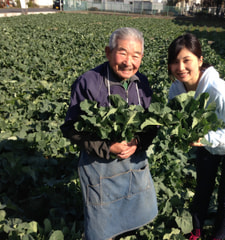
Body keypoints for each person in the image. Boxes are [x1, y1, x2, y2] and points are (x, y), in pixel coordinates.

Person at [60, 27, 158, 240]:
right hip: (100, 170)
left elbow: (153, 123)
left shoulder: (142, 83)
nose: (128, 61)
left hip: (133, 167)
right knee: (102, 228)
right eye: (122, 52)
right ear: (108, 52)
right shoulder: (88, 81)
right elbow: (71, 128)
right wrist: (107, 147)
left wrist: (137, 142)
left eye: (135, 55)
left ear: (141, 57)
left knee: (133, 220)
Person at [167, 33, 225, 240]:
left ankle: (218, 236)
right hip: (207, 143)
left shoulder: (219, 91)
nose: (180, 67)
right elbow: (177, 117)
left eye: (186, 60)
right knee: (202, 189)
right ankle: (196, 231)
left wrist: (206, 138)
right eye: (174, 61)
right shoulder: (176, 89)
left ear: (199, 60)